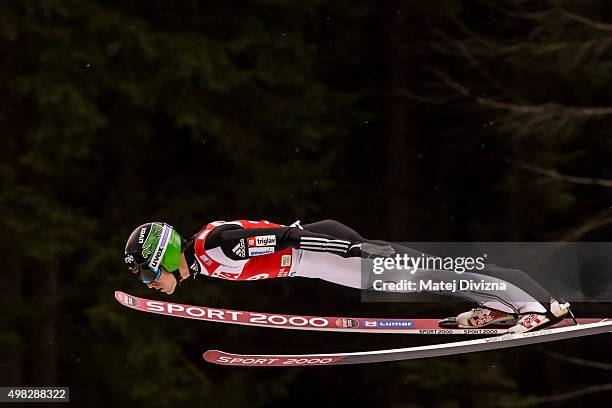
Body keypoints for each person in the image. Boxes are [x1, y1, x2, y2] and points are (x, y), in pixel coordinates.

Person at [124, 219, 570, 333]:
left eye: (149, 276)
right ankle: (499, 307)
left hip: (336, 252)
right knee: (433, 278)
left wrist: (357, 249)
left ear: (164, 256)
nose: (151, 285)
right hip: (331, 264)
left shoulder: (217, 245)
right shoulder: (206, 255)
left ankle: (539, 306)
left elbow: (288, 239)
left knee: (439, 272)